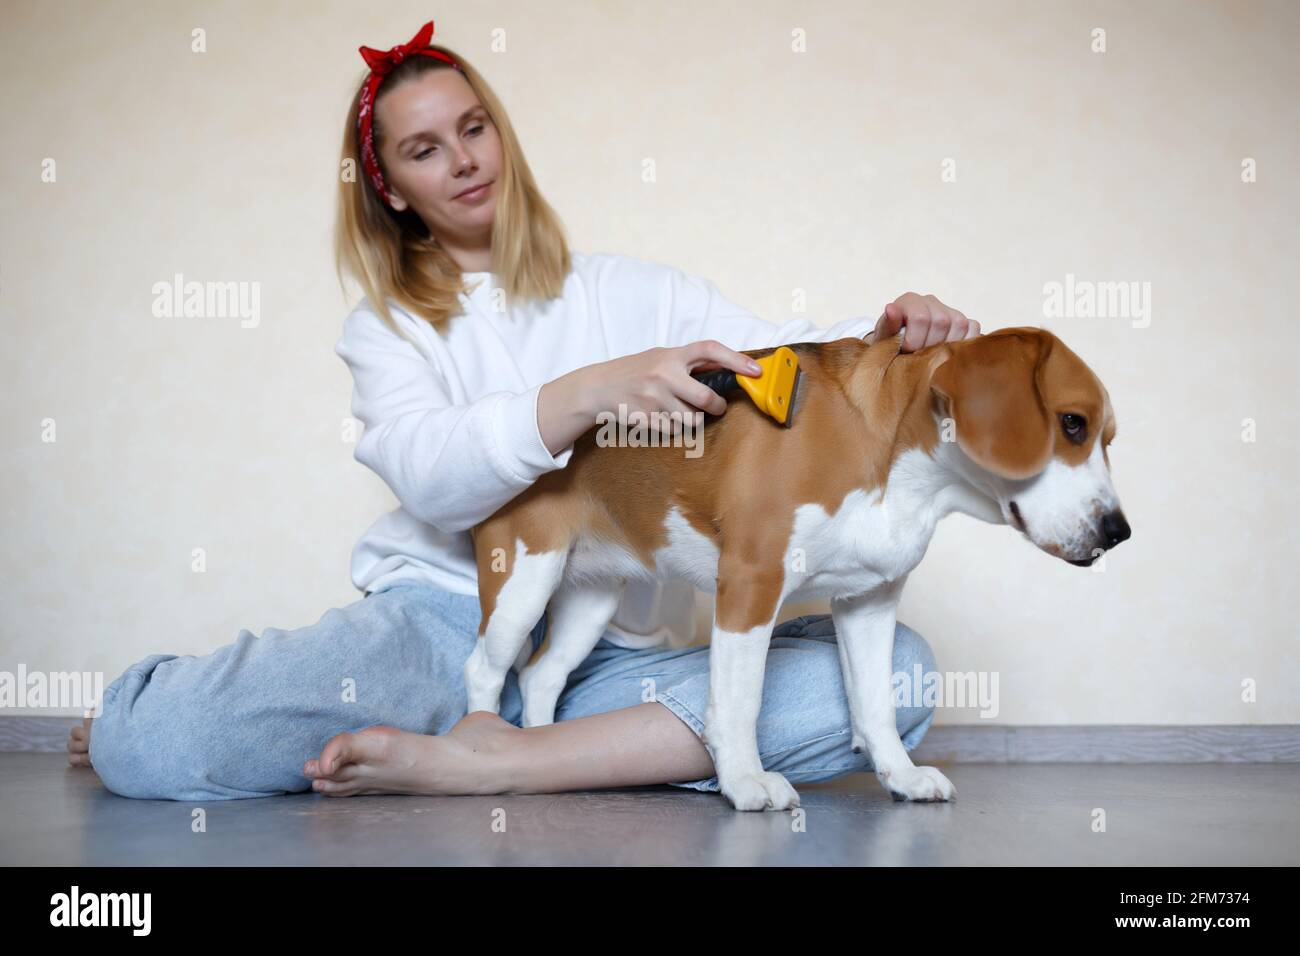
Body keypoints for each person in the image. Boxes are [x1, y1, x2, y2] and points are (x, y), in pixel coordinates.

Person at [69, 21, 980, 801]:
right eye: (425, 149)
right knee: (153, 741)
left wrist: (888, 330)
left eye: (475, 129)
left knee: (898, 674)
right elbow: (429, 474)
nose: (464, 160)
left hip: (611, 658)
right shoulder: (384, 328)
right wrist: (587, 393)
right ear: (387, 186)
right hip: (436, 623)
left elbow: (782, 355)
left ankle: (496, 763)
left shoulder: (634, 290)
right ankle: (529, 748)